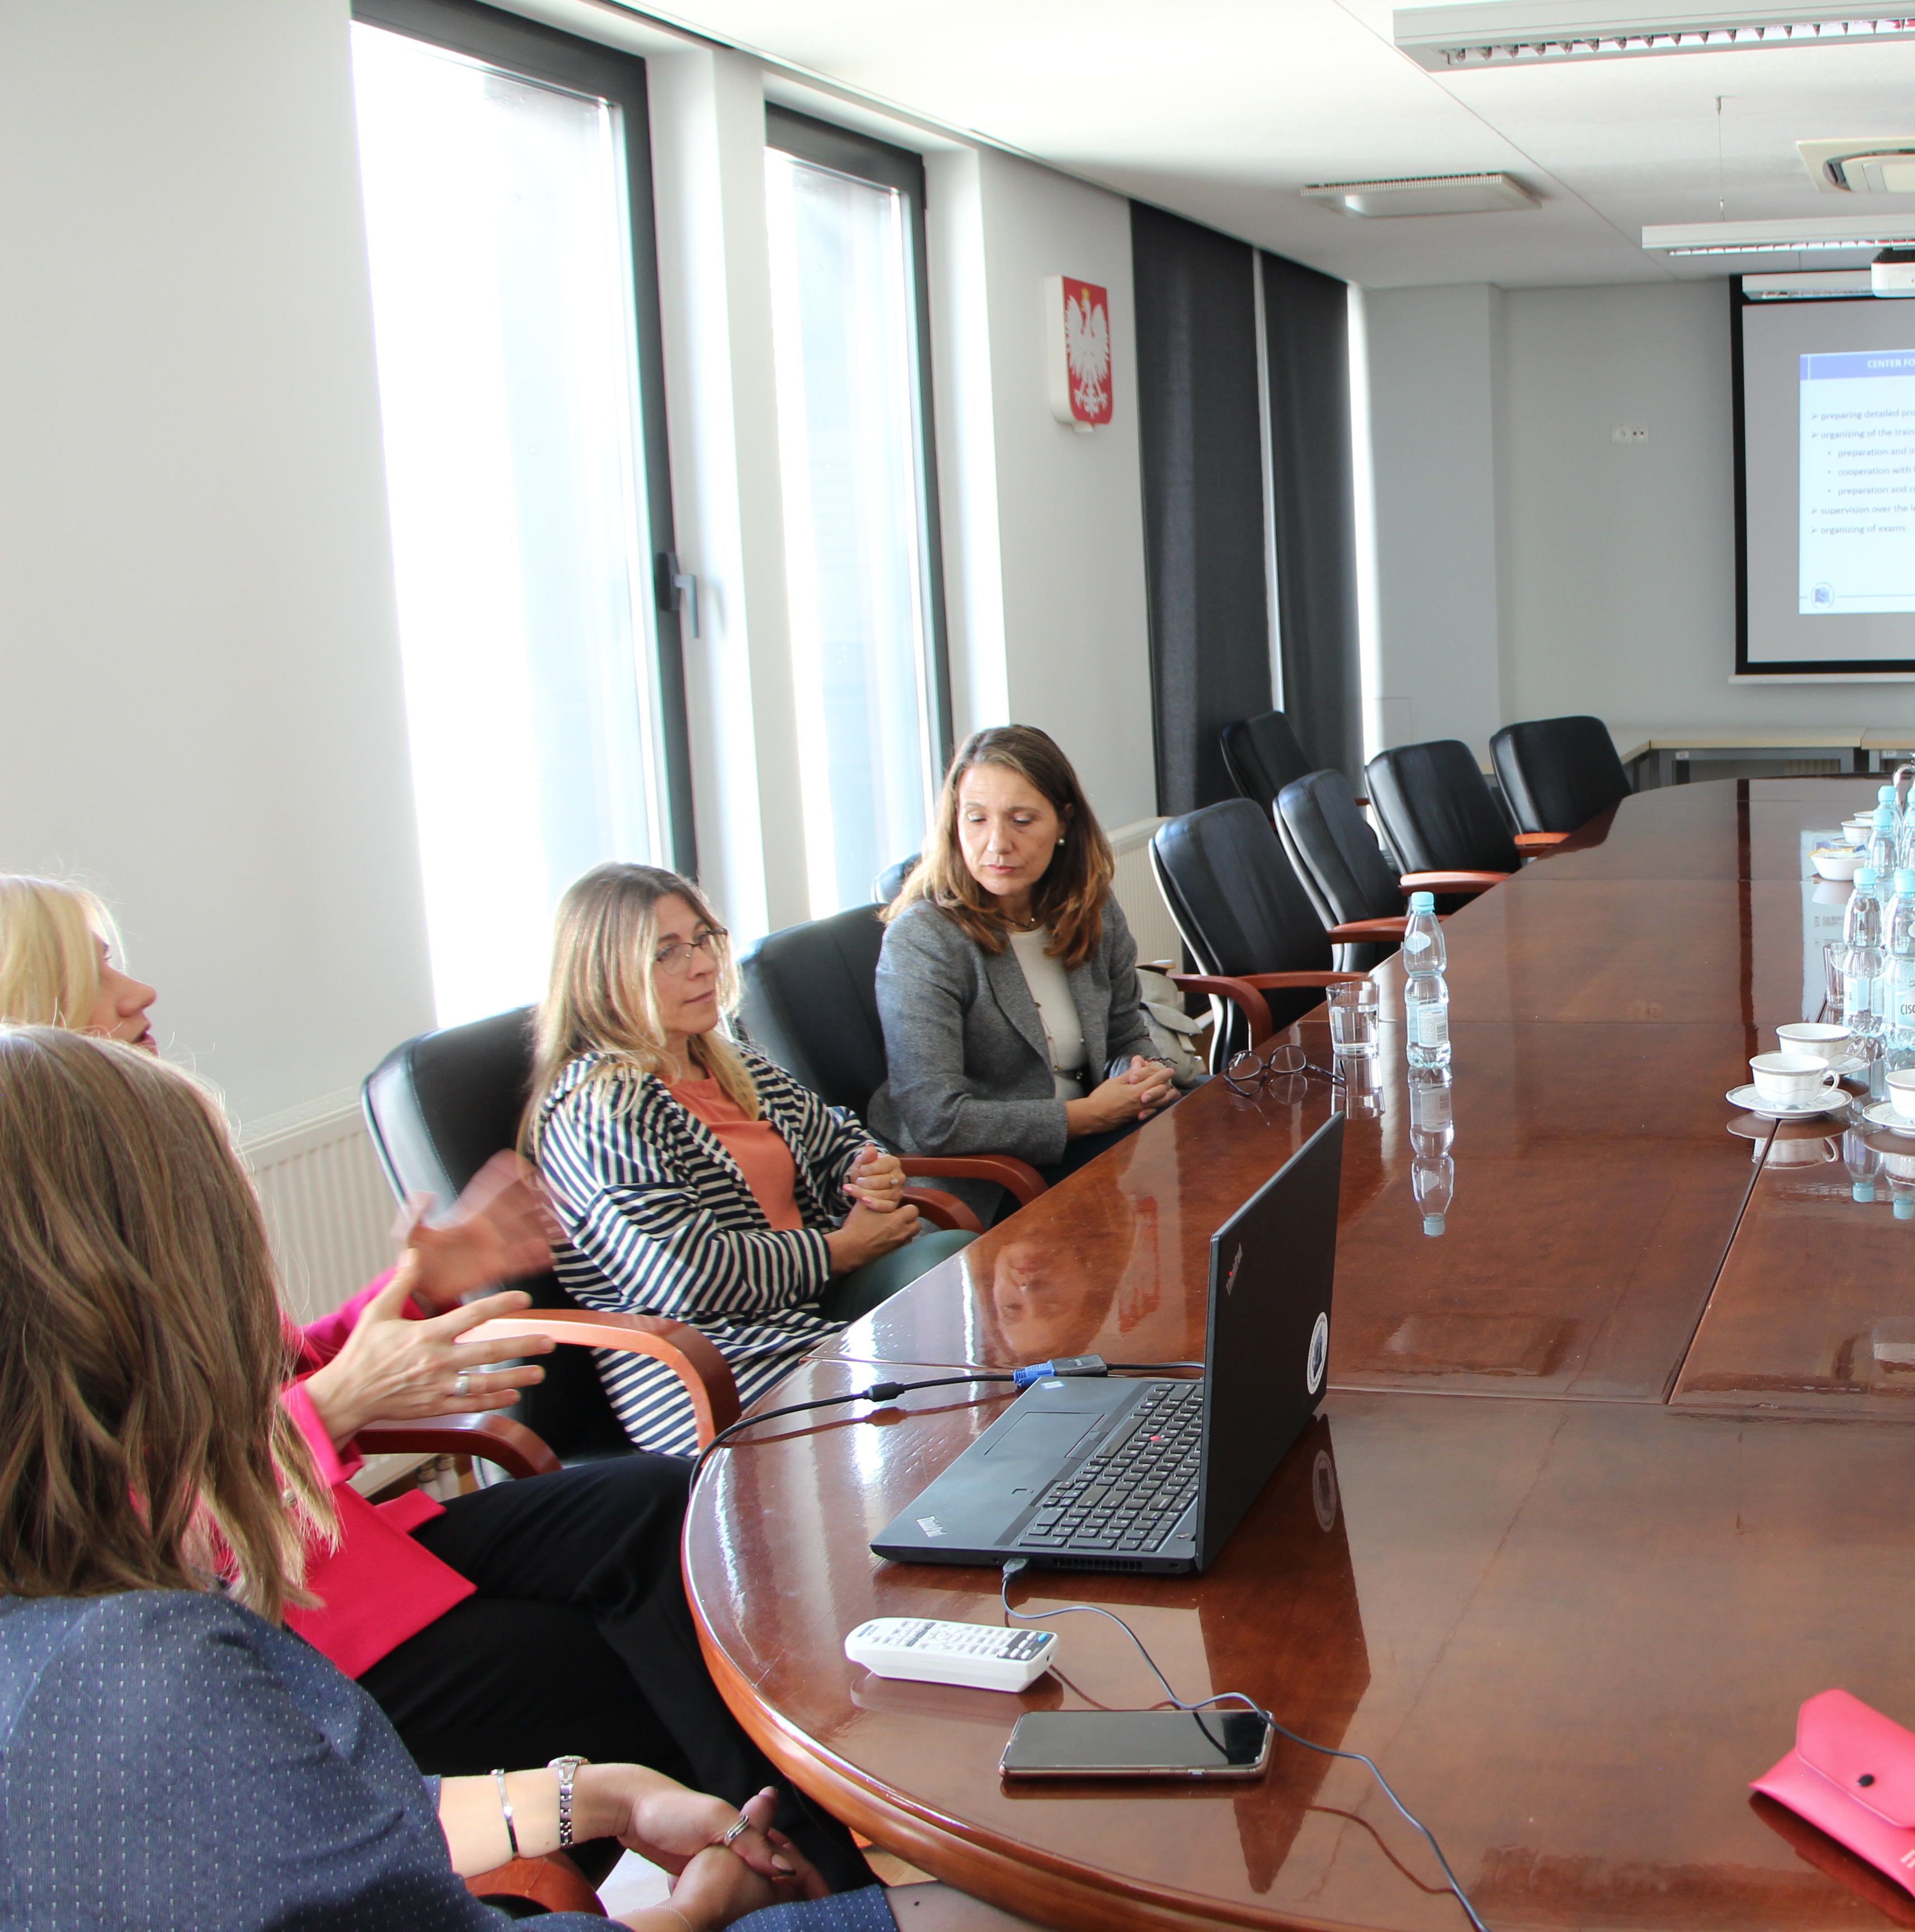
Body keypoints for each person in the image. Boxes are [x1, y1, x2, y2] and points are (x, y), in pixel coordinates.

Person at [0, 873, 876, 1896]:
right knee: (624, 1670)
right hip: (284, 1620)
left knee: (652, 1506)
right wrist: (334, 1407)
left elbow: (262, 1376)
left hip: (340, 1549)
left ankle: (795, 1865)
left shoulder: (124, 1183)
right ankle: (790, 1873)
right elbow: (122, 1526)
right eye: (103, 965)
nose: (141, 989)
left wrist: (421, 1289)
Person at [526, 864, 972, 1457]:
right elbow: (685, 1272)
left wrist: (866, 1169)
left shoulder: (727, 1062)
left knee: (961, 1272)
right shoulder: (599, 1107)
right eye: (667, 953)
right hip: (714, 1353)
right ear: (605, 977)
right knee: (944, 1387)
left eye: (703, 938)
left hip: (806, 1305)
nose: (704, 963)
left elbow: (838, 1135)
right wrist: (841, 1249)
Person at [872, 727, 1181, 1224]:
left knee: (1221, 1170)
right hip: (991, 1178)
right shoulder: (925, 940)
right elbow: (937, 1120)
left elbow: (1125, 1033)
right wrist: (1085, 1117)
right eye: (975, 819)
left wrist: (1140, 1077)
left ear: (1064, 822)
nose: (997, 843)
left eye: (1021, 820)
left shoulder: (1089, 908)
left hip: (1096, 1143)